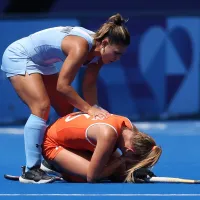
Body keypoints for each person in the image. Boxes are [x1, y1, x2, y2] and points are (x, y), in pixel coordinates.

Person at [1, 13, 130, 183]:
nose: (117, 58)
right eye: (116, 53)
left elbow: (89, 85)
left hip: (43, 63)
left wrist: (95, 111)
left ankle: (50, 160)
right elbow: (63, 86)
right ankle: (31, 171)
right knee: (41, 107)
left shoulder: (99, 56)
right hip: (19, 56)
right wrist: (89, 109)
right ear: (104, 43)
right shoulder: (81, 46)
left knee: (66, 111)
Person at [41, 112, 162, 183]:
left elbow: (122, 172)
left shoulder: (131, 129)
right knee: (96, 175)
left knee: (117, 171)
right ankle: (54, 165)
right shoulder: (108, 135)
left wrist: (133, 173)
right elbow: (92, 177)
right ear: (130, 151)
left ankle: (67, 162)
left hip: (70, 134)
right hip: (52, 142)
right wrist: (123, 160)